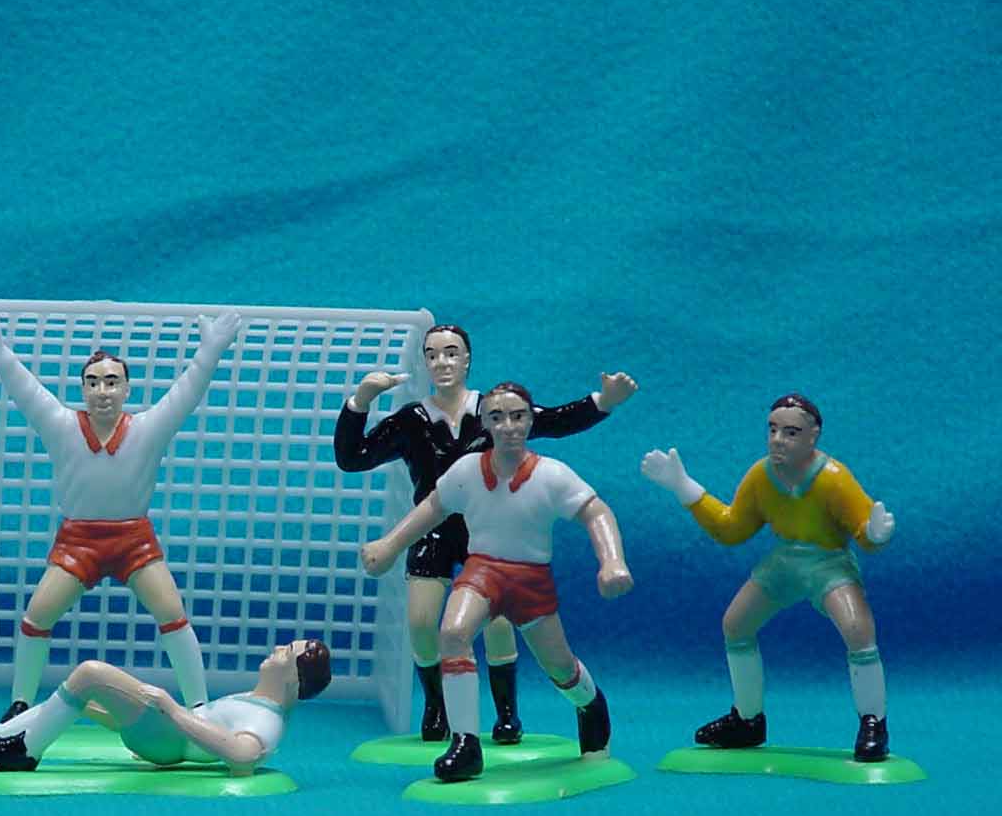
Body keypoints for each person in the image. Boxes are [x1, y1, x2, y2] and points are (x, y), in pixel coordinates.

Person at [335, 323, 636, 742]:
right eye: (432, 354)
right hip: (436, 532)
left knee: (503, 627)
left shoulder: (501, 416)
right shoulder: (416, 424)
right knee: (425, 623)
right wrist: (361, 400)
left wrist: (602, 401)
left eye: (451, 352)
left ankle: (509, 711)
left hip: (492, 535)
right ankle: (445, 715)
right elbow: (358, 461)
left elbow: (555, 420)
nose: (442, 362)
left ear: (468, 359)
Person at [0, 309, 241, 719]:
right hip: (78, 543)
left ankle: (199, 708)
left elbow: (187, 392)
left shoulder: (148, 428)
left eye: (111, 382)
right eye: (92, 383)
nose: (102, 391)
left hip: (135, 542)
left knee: (173, 615)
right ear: (82, 389)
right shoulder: (60, 425)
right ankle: (19, 706)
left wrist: (209, 351)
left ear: (126, 389)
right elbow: (26, 390)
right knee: (37, 617)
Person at [641, 394, 895, 761]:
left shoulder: (834, 479)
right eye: (773, 430)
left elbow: (863, 527)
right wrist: (685, 487)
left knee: (858, 629)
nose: (778, 440)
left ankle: (874, 722)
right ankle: (747, 720)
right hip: (785, 561)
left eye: (790, 432)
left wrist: (875, 534)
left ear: (813, 436)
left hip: (829, 563)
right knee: (736, 624)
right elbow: (732, 528)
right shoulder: (761, 477)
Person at [0, 639, 331, 776]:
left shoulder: (266, 719)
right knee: (84, 695)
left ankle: (22, 752)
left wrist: (172, 710)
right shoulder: (257, 701)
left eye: (287, 652)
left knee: (92, 673)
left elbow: (243, 756)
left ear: (294, 679)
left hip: (167, 739)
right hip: (166, 735)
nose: (277, 649)